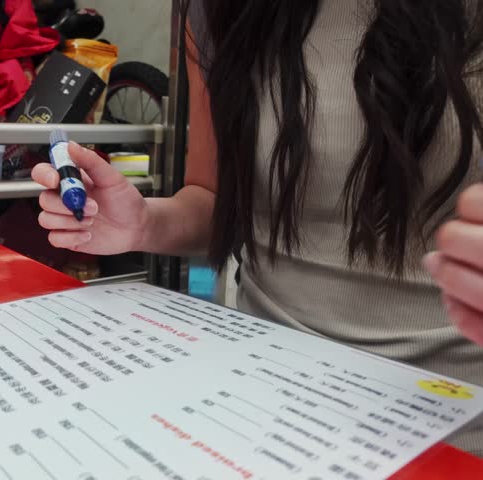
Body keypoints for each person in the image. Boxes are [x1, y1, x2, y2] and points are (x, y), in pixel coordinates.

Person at [32, 0, 483, 455]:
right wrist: (143, 223)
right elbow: (212, 200)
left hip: (451, 426)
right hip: (257, 406)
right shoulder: (218, 15)